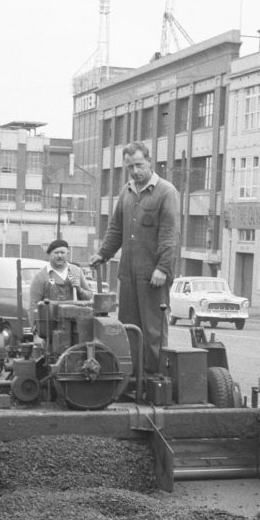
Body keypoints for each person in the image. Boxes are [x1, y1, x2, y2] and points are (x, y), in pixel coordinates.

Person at [89, 141, 180, 377]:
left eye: (139, 165)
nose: (135, 171)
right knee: (128, 328)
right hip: (128, 275)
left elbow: (169, 235)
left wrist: (162, 268)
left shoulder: (166, 192)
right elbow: (116, 229)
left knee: (153, 331)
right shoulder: (127, 192)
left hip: (153, 277)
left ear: (150, 162)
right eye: (130, 167)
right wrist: (103, 254)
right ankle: (132, 379)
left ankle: (155, 380)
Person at [29, 239, 93, 321]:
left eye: (62, 252)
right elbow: (33, 305)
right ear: (49, 254)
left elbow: (89, 298)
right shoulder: (41, 276)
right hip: (50, 324)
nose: (59, 256)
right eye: (56, 253)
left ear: (67, 253)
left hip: (75, 323)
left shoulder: (76, 271)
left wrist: (79, 289)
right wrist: (35, 328)